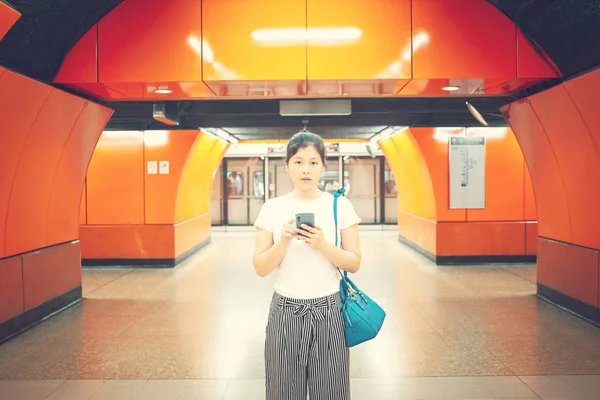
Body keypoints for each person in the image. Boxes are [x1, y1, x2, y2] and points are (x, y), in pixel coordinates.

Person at [252, 131, 362, 400]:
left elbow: (354, 262)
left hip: (330, 311)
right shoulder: (272, 208)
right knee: (283, 392)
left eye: (313, 162)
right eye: (299, 162)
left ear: (323, 166)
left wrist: (323, 245)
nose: (306, 170)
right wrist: (283, 242)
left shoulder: (340, 206)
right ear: (287, 165)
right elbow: (260, 267)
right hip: (285, 311)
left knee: (331, 391)